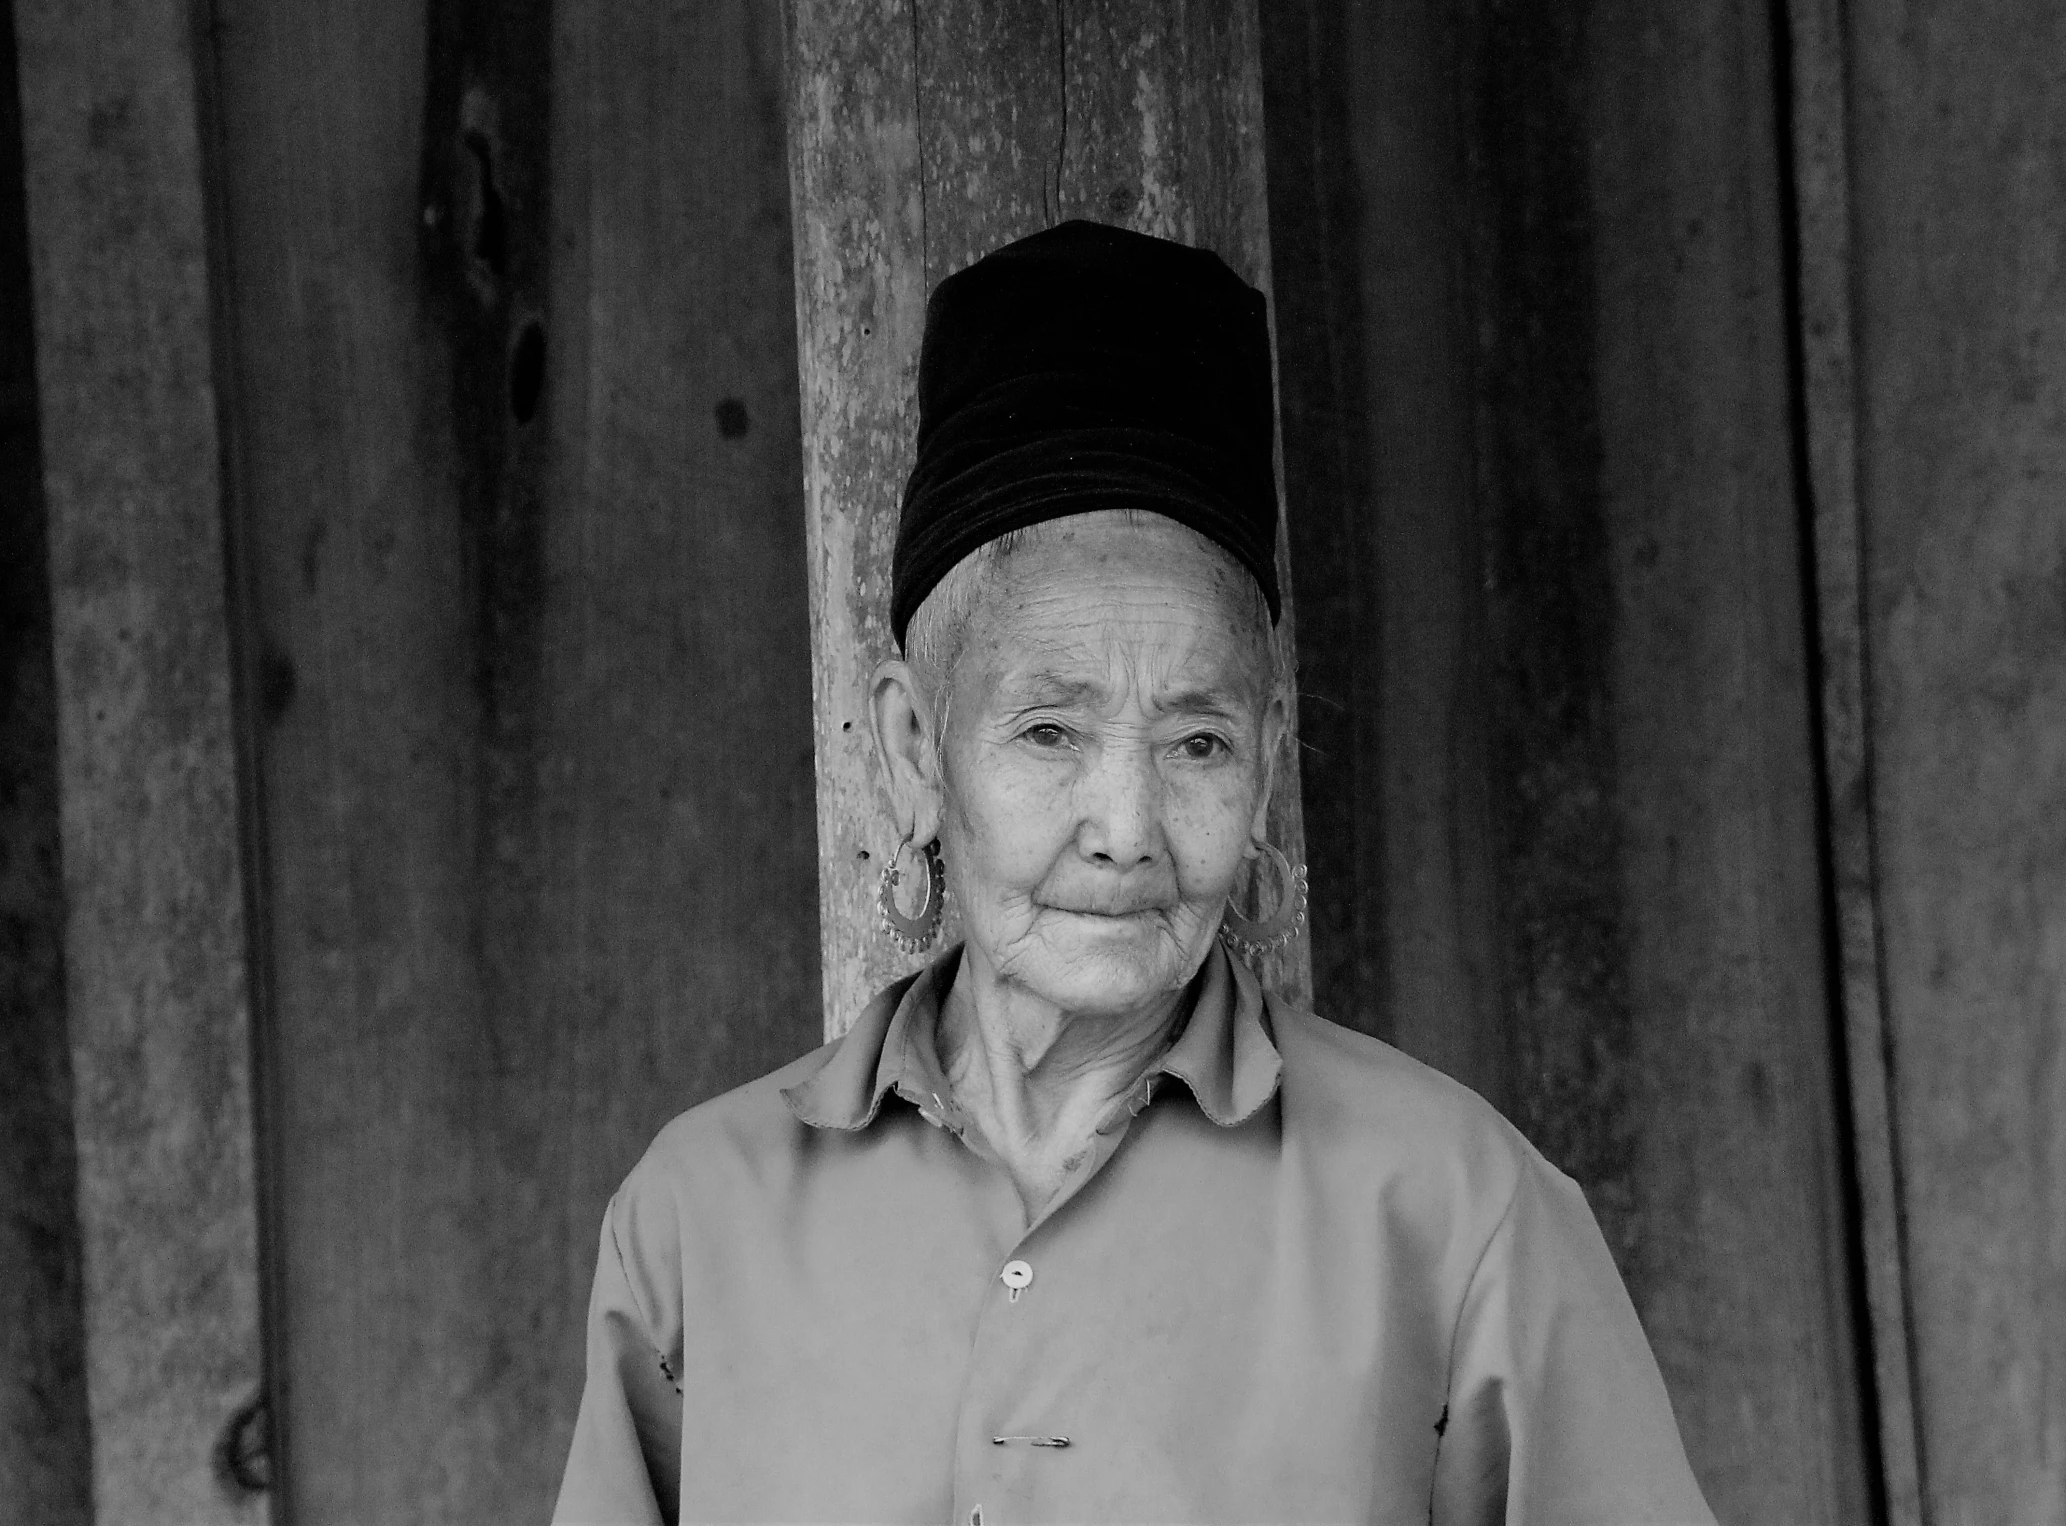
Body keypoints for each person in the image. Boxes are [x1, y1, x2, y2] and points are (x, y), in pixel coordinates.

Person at [552, 221, 1714, 1525]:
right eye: (1049, 731)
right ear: (910, 753)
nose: (1126, 826)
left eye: (1195, 740)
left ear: (1265, 764)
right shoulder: (697, 1225)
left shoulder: (1452, 1214)